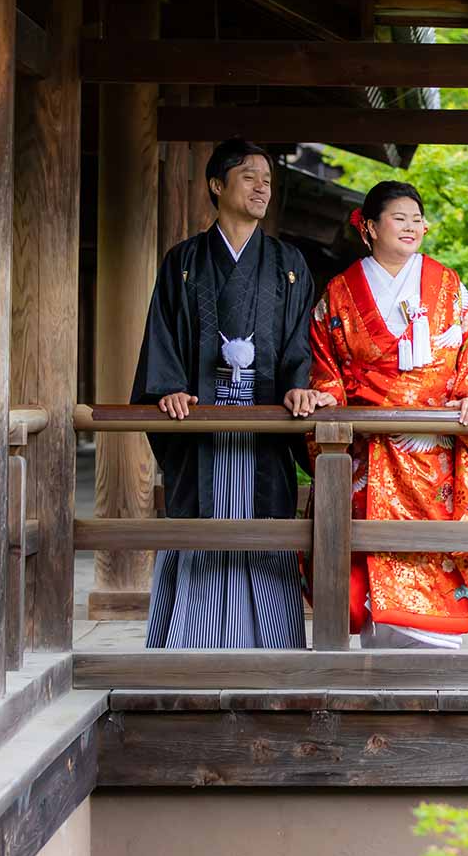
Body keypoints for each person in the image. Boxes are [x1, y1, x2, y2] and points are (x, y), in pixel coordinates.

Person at [307, 180, 468, 649]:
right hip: (372, 443)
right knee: (369, 546)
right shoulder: (341, 291)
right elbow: (325, 364)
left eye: (417, 219)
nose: (412, 227)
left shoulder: (446, 283)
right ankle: (375, 647)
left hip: (435, 448)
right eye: (399, 218)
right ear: (369, 227)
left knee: (436, 548)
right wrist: (325, 394)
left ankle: (434, 648)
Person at [131, 138, 335, 648]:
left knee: (265, 522)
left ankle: (273, 646)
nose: (263, 187)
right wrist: (170, 388)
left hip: (266, 421)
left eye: (268, 178)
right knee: (201, 521)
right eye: (249, 176)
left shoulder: (289, 263)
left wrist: (298, 389)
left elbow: (299, 343)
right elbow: (162, 334)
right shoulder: (184, 262)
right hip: (202, 418)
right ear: (217, 186)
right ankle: (189, 643)